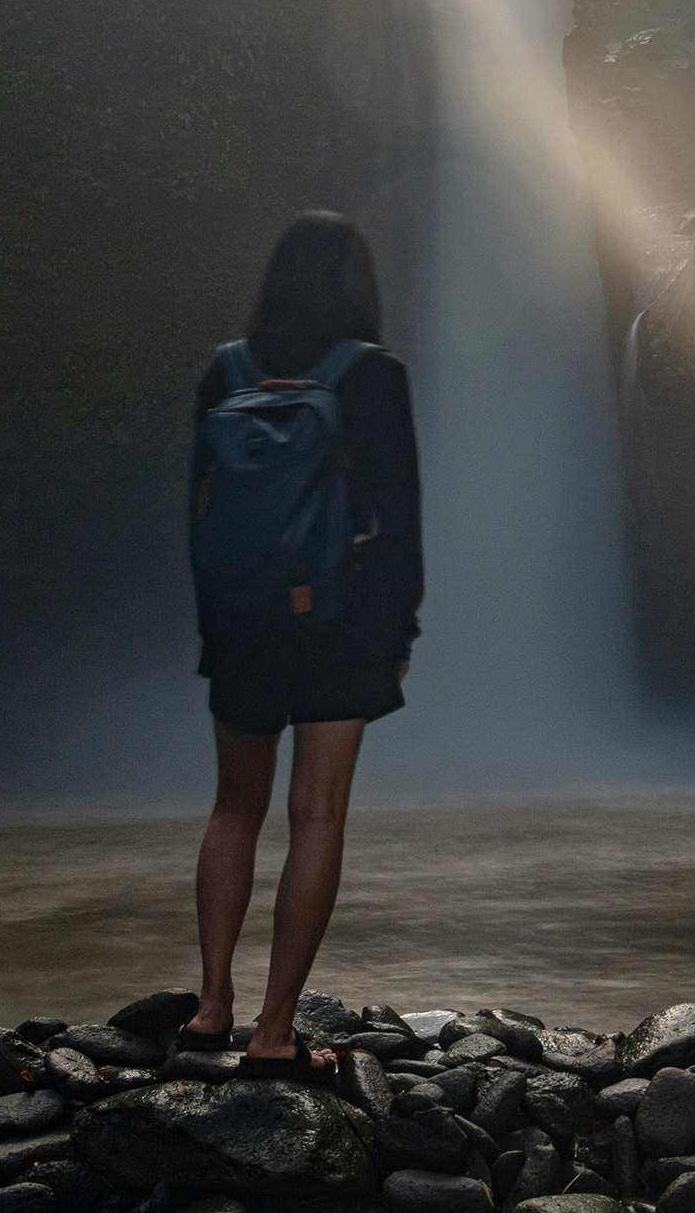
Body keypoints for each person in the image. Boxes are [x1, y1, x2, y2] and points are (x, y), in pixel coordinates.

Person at [182, 211, 422, 1078]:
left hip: (241, 620)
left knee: (232, 808)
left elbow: (198, 511)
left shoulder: (226, 371)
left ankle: (210, 1007)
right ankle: (274, 1031)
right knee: (315, 813)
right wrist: (403, 627)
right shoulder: (370, 375)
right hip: (338, 617)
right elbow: (398, 517)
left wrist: (216, 625)